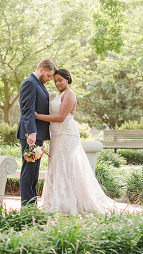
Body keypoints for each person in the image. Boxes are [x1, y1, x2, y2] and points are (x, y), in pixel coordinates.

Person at [35, 69, 136, 215]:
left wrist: (38, 116)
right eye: (55, 80)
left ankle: (72, 202)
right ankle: (57, 201)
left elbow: (61, 117)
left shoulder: (70, 93)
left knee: (68, 167)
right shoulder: (59, 95)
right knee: (57, 165)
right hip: (57, 136)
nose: (57, 83)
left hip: (67, 135)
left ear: (67, 79)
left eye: (60, 80)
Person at [17, 59, 55, 206]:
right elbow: (27, 111)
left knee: (34, 173)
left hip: (36, 135)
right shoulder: (30, 83)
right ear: (41, 70)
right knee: (28, 172)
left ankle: (32, 205)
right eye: (48, 76)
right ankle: (27, 207)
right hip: (30, 136)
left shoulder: (38, 83)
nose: (49, 79)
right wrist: (32, 133)